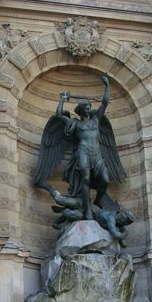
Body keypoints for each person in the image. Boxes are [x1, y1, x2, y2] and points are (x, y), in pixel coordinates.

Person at [56, 75, 110, 220]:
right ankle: (87, 211)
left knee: (105, 179)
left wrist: (107, 86)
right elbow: (59, 114)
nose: (88, 108)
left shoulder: (96, 120)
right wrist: (62, 99)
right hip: (83, 151)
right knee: (85, 179)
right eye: (86, 107)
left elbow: (105, 103)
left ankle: (98, 200)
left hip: (96, 154)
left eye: (89, 106)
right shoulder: (76, 124)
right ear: (80, 110)